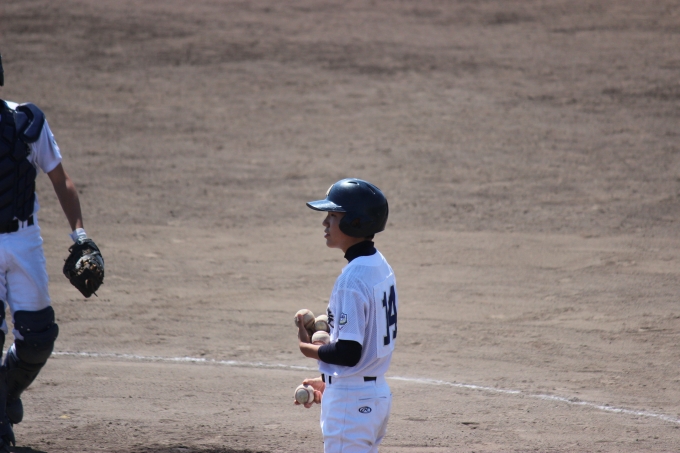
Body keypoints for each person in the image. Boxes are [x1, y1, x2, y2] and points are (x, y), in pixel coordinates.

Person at [0, 54, 98, 451]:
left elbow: (61, 179)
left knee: (38, 338)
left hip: (24, 239)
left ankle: (5, 390)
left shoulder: (26, 121)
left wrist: (81, 236)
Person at [295, 178, 398, 453]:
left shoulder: (352, 279)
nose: (325, 223)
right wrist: (331, 381)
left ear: (355, 222)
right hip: (374, 395)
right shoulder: (380, 265)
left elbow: (349, 352)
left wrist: (306, 347)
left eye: (333, 215)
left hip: (352, 405)